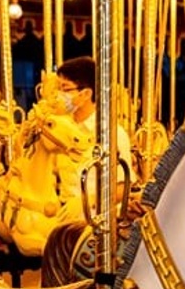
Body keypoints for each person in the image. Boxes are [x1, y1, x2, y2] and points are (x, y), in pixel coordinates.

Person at [54, 56, 134, 192]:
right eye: (57, 89)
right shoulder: (60, 129)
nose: (58, 95)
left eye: (65, 89)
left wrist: (86, 202)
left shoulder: (112, 134)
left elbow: (122, 188)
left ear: (86, 94)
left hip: (92, 211)